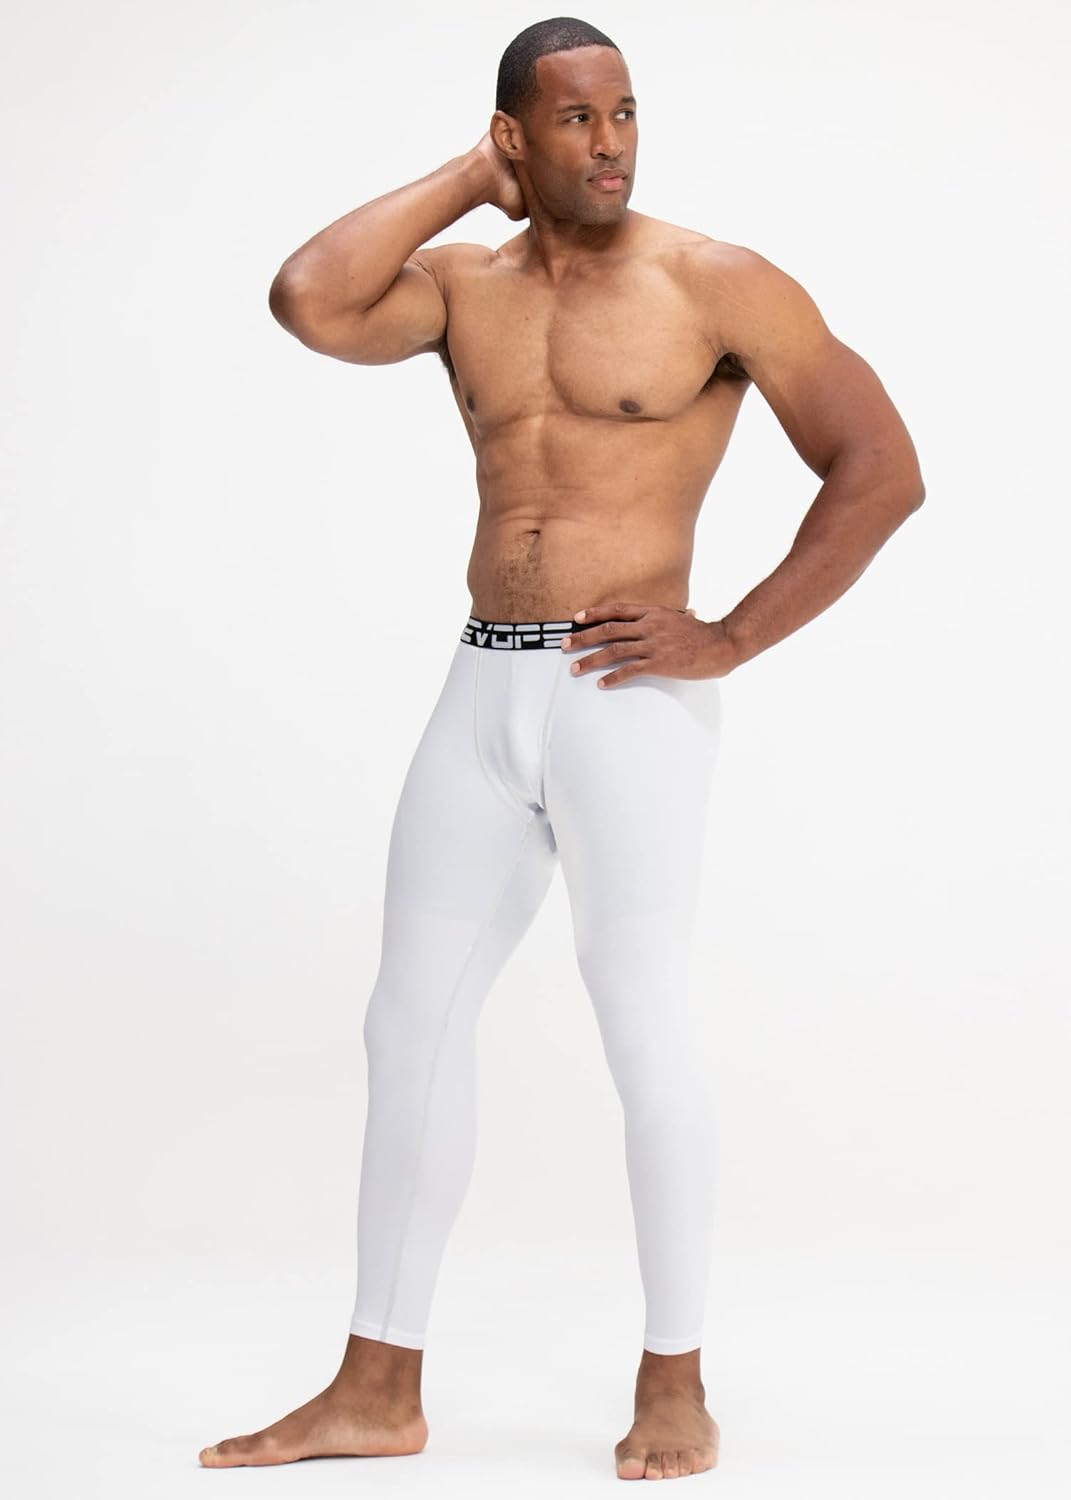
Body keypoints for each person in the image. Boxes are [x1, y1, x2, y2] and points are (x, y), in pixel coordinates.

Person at [198, 14, 925, 1482]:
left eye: (626, 113)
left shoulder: (712, 280)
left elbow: (883, 470)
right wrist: (469, 179)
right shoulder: (464, 285)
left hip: (627, 696)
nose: (612, 144)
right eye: (577, 119)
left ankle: (676, 1381)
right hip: (482, 685)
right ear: (518, 135)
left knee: (641, 1017)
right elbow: (307, 298)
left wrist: (731, 636)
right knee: (408, 1021)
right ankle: (377, 1386)